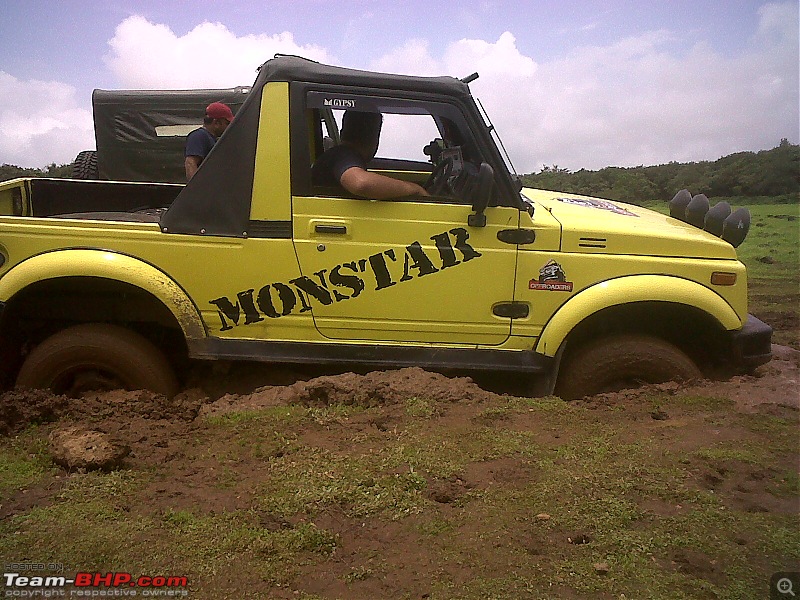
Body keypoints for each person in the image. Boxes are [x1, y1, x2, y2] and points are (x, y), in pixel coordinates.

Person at [312, 110, 428, 199]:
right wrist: (414, 189)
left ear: (343, 132)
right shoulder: (343, 156)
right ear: (375, 137)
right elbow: (361, 183)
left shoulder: (337, 155)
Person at [184, 102, 235, 181]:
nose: (229, 127)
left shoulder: (212, 138)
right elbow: (190, 163)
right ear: (216, 123)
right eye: (227, 123)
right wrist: (196, 189)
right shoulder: (198, 136)